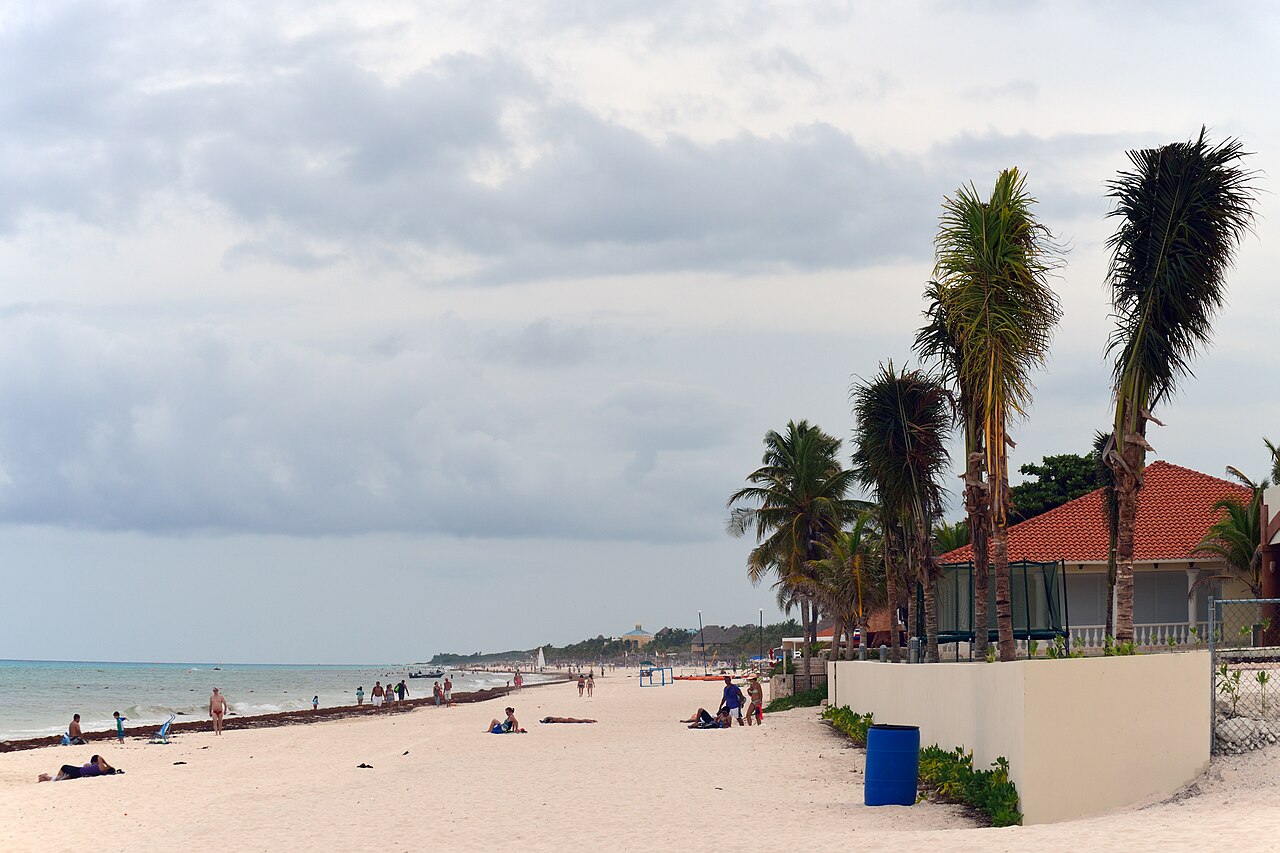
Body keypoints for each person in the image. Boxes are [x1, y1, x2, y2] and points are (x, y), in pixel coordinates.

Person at [38, 754, 118, 782]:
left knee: (64, 767)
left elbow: (98, 757)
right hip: (79, 773)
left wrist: (107, 764)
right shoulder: (101, 771)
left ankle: (47, 777)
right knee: (64, 776)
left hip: (78, 771)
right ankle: (46, 777)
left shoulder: (101, 768)